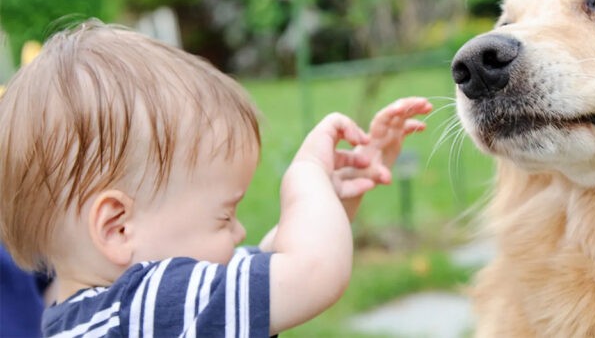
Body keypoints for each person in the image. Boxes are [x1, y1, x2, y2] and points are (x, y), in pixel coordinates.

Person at [0, 20, 432, 337]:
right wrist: (307, 178)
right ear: (118, 226)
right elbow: (312, 271)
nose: (240, 230)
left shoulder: (92, 318)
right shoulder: (147, 309)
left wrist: (328, 201)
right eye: (224, 217)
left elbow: (265, 262)